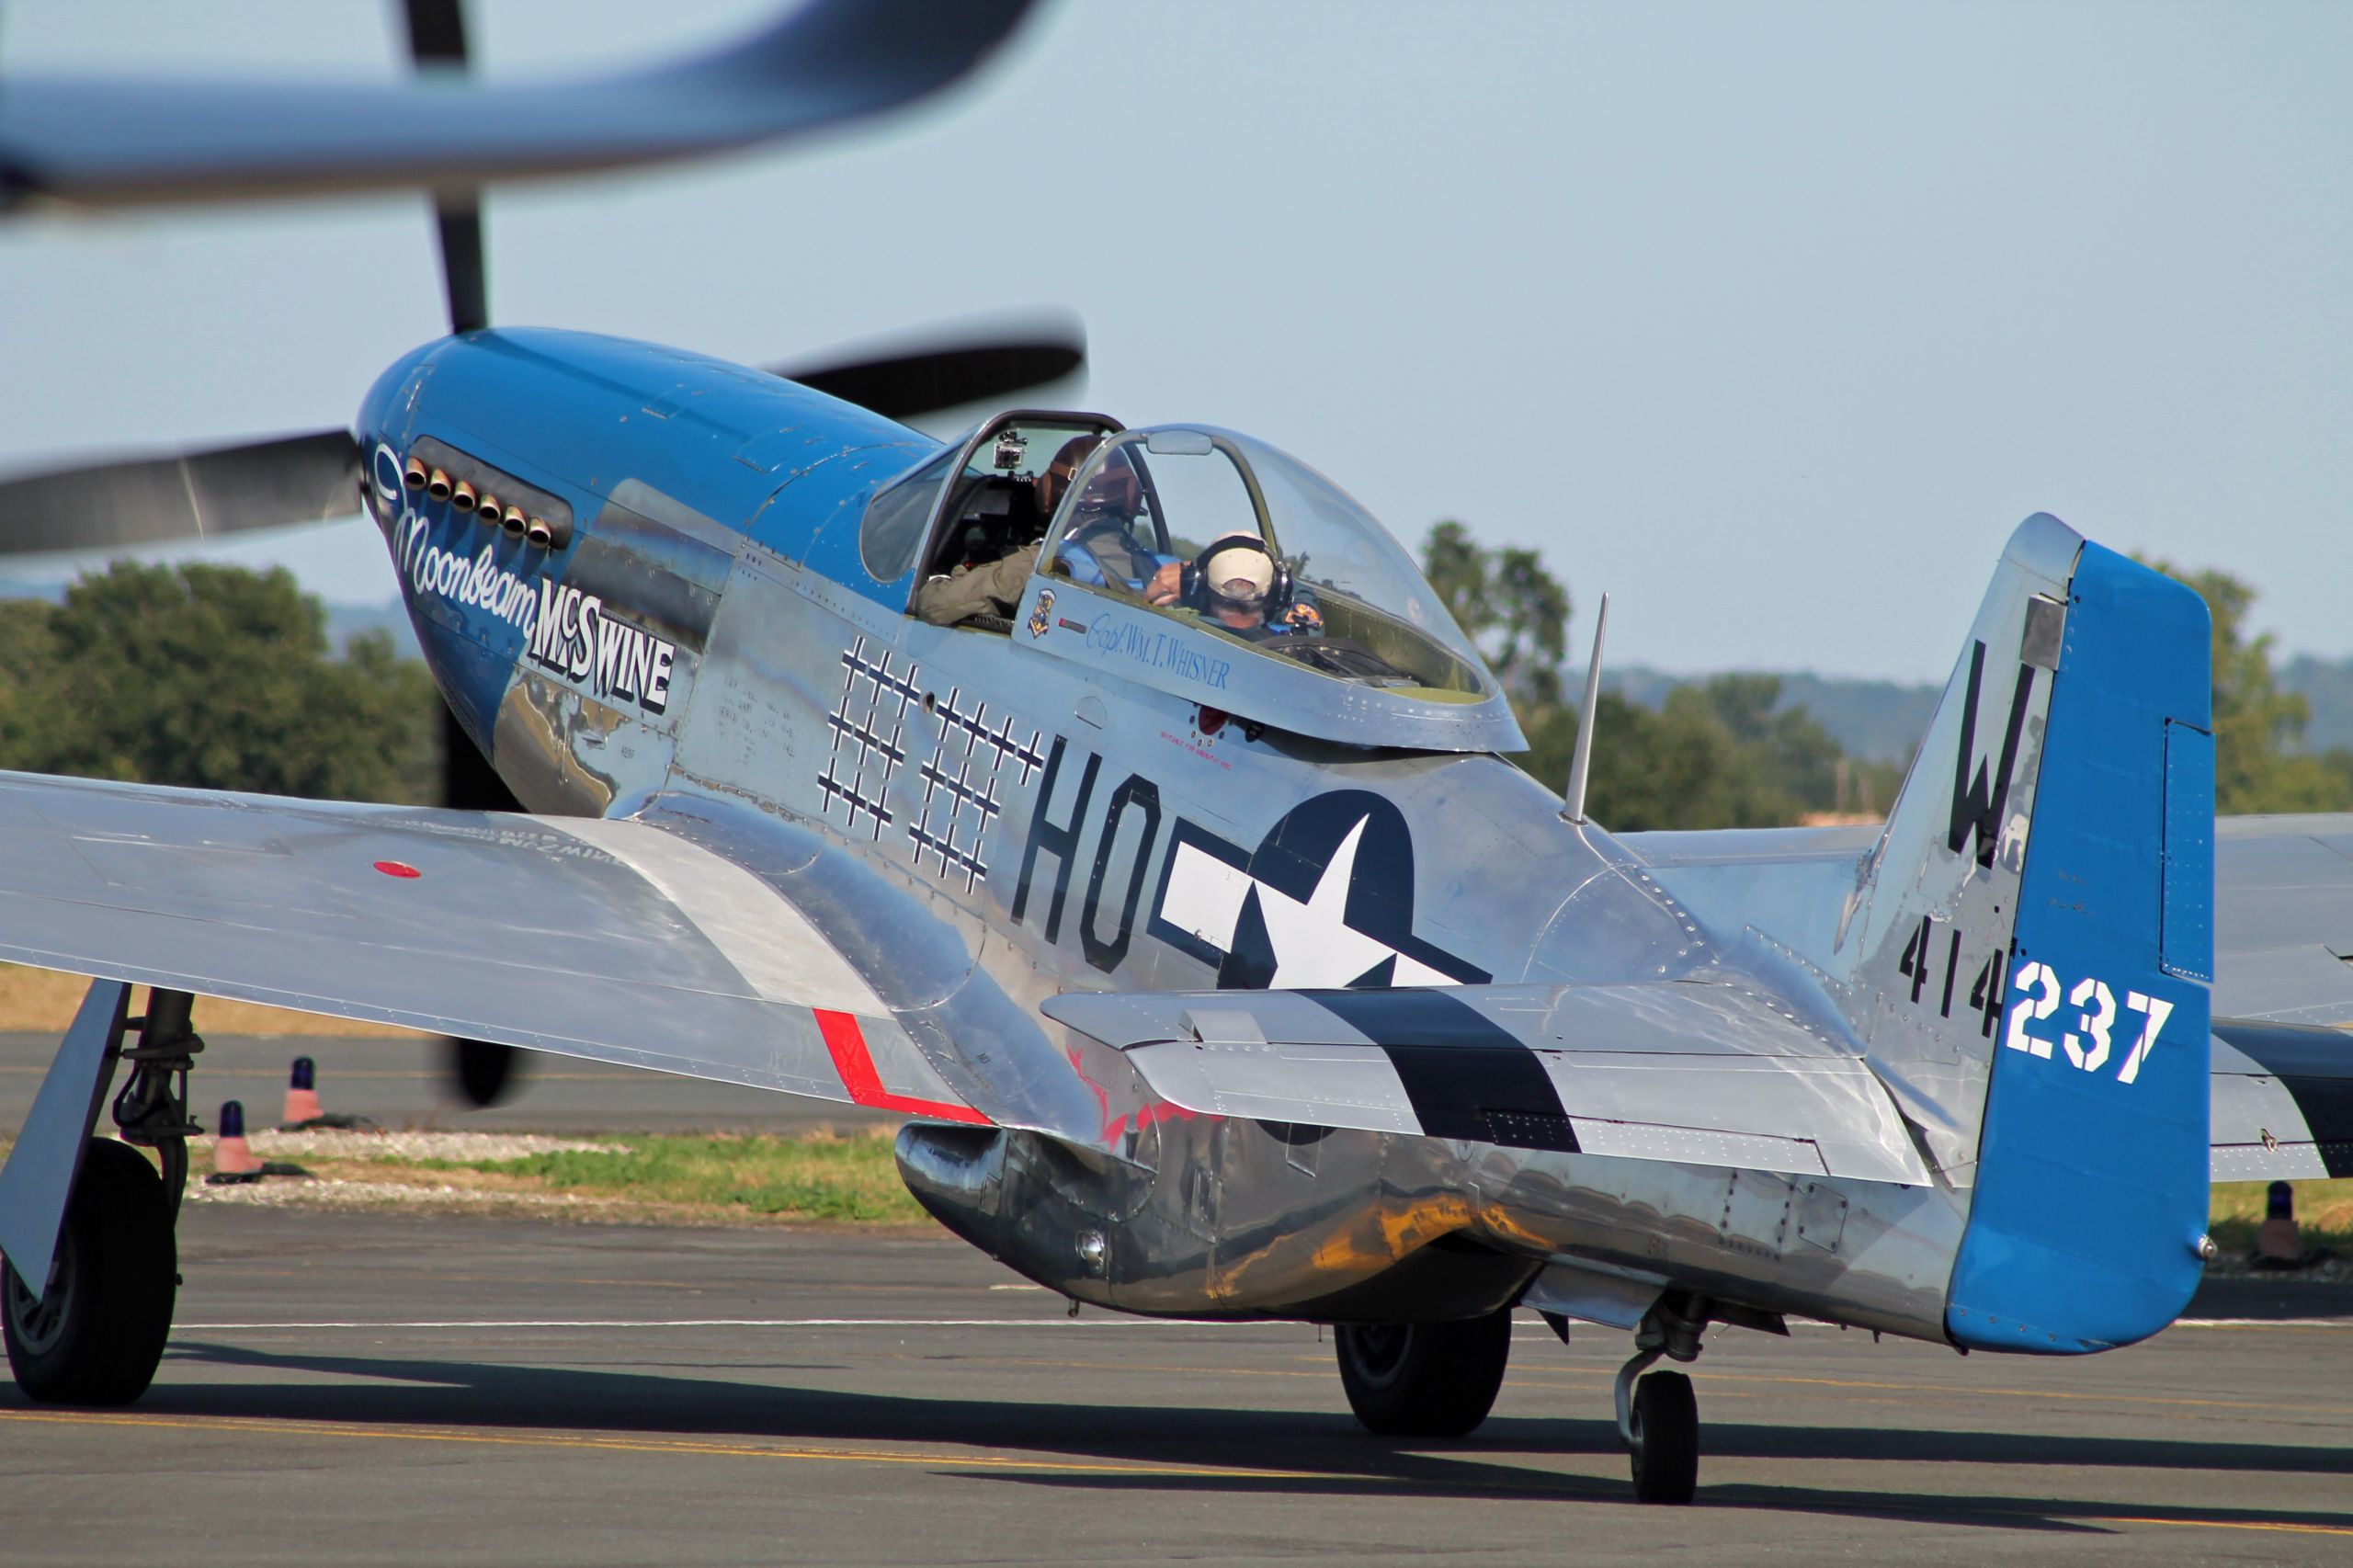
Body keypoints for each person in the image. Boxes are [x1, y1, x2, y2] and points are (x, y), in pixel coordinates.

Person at [912, 434, 1106, 628]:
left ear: (1053, 492)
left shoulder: (1040, 562)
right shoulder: (1133, 560)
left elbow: (934, 607)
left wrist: (953, 575)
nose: (1035, 483)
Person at [1145, 529, 1322, 641]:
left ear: (1199, 584)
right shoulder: (1294, 642)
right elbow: (1309, 619)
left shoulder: (1168, 630)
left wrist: (1186, 575)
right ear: (1277, 589)